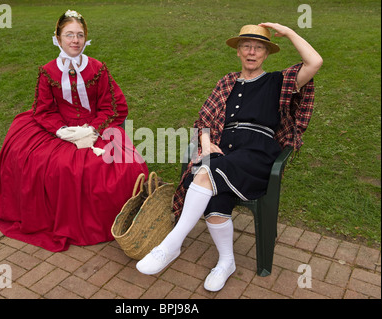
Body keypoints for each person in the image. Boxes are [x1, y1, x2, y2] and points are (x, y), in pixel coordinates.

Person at [136, 23, 322, 291]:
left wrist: (289, 32)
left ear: (266, 54)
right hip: (225, 150)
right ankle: (227, 262)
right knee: (214, 203)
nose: (251, 52)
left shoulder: (278, 82)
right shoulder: (226, 82)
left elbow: (315, 62)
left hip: (257, 155)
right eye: (246, 46)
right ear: (237, 51)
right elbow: (204, 119)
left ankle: (170, 246)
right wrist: (205, 142)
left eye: (258, 48)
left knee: (205, 173)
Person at [0, 10, 148, 252]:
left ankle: (116, 218)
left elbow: (112, 106)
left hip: (96, 128)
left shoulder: (98, 69)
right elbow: (43, 110)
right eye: (69, 34)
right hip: (59, 129)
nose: (75, 40)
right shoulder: (48, 72)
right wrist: (62, 131)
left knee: (121, 165)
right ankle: (64, 220)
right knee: (57, 166)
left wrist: (93, 129)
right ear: (58, 38)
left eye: (80, 35)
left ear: (86, 38)